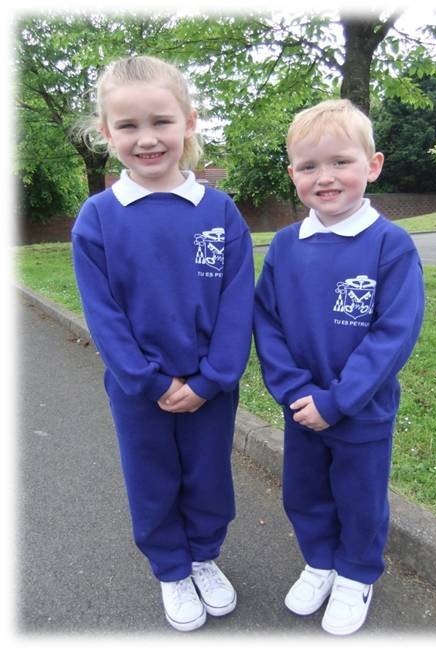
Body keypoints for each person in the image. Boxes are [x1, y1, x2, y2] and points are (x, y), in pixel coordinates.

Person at [71, 55, 254, 632]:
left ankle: (202, 556)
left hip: (211, 386)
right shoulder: (97, 219)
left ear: (188, 123)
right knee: (153, 480)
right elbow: (104, 316)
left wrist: (212, 378)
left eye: (161, 122)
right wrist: (150, 381)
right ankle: (172, 569)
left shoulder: (219, 210)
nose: (147, 139)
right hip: (139, 390)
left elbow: (236, 302)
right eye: (128, 126)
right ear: (107, 133)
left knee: (207, 475)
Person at [253, 99, 424, 636]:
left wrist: (338, 400)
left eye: (340, 162)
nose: (324, 177)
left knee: (359, 496)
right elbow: (267, 323)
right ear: (293, 175)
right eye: (308, 166)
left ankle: (355, 574)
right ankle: (321, 561)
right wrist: (295, 393)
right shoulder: (284, 245)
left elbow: (393, 335)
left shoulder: (390, 246)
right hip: (302, 409)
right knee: (304, 492)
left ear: (372, 166)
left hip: (360, 412)